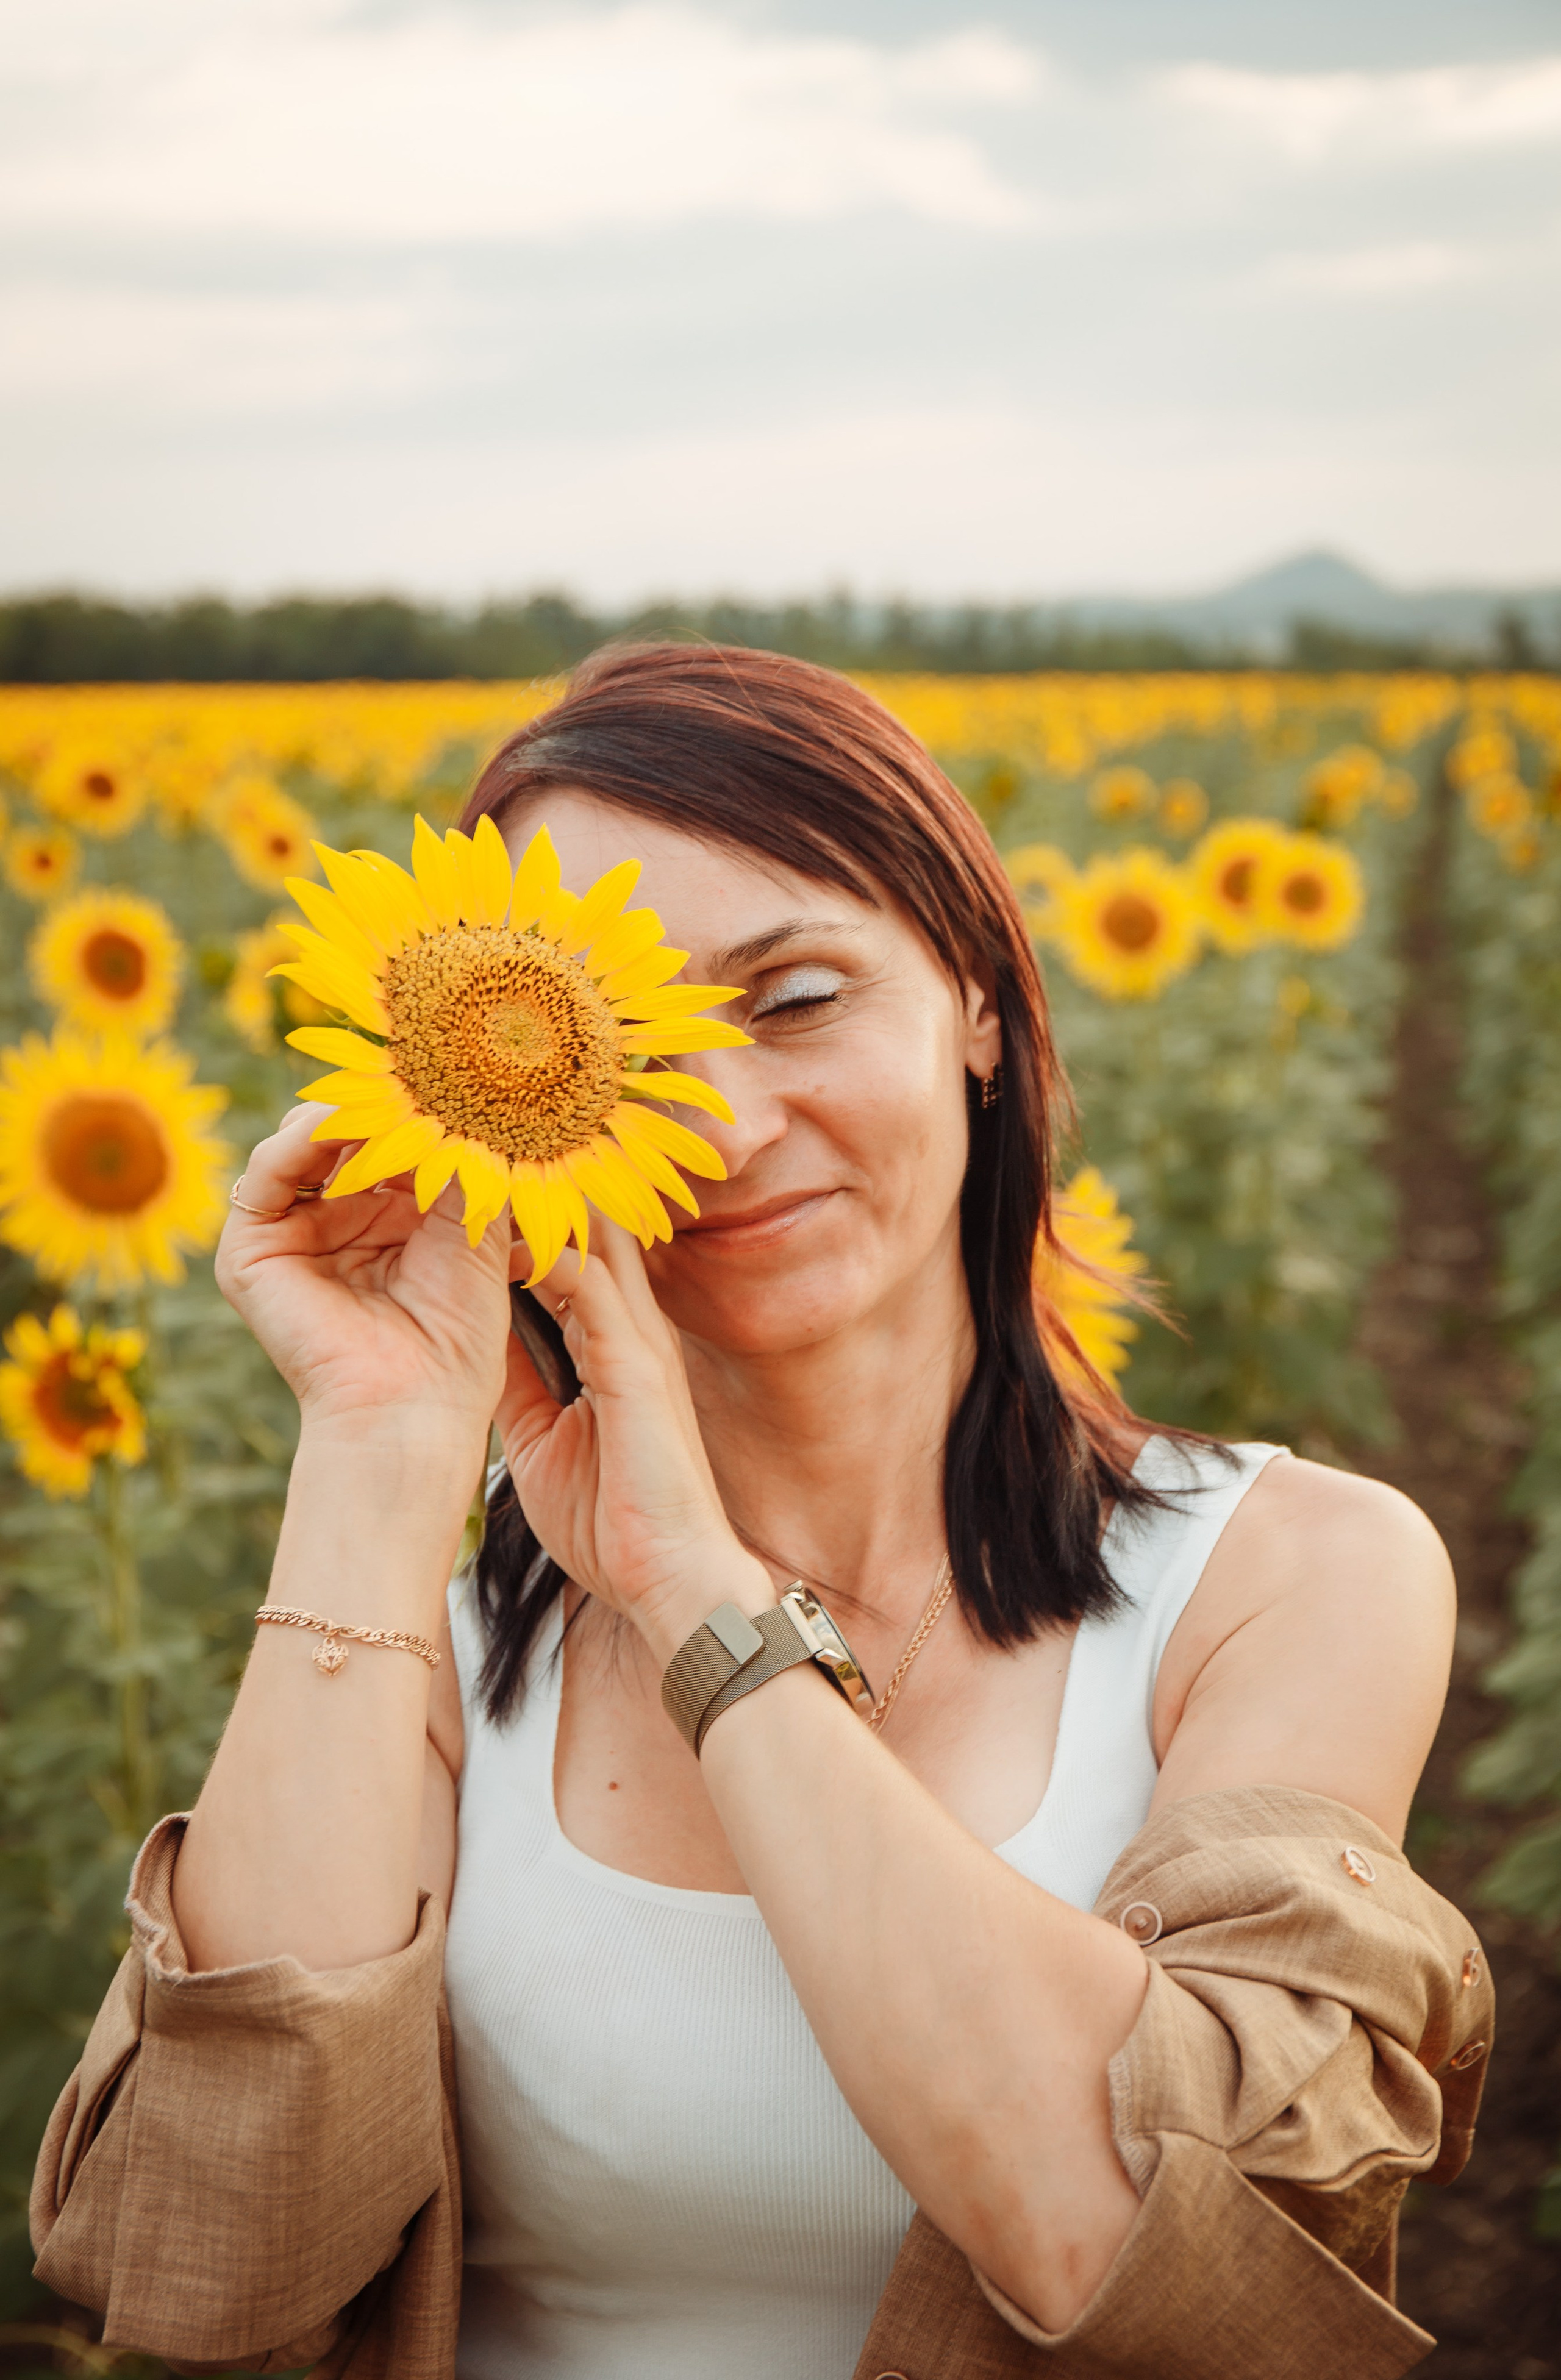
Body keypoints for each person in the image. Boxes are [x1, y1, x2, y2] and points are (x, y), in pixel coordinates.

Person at [33, 646, 1491, 2380]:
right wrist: (376, 1445)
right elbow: (210, 2258)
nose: (718, 1126)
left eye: (795, 999)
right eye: (620, 1047)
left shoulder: (1291, 1579)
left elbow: (1161, 2253)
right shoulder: (428, 1647)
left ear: (979, 1004)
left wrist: (693, 1597)